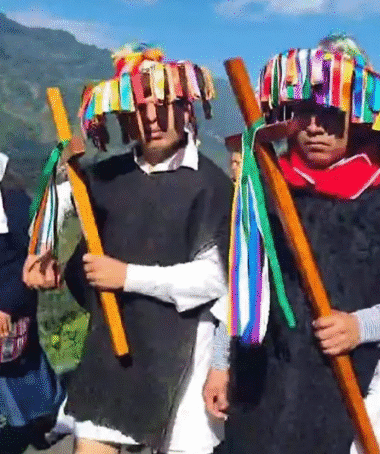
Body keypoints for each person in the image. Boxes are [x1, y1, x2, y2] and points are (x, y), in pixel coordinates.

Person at [205, 36, 380, 454]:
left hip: (357, 379)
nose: (314, 127)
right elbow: (248, 281)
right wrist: (219, 361)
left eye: (330, 112)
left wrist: (362, 326)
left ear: (358, 115)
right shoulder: (268, 189)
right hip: (270, 377)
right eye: (304, 112)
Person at [22, 43, 232, 454]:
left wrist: (128, 277)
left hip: (183, 359)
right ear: (122, 117)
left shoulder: (212, 185)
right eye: (138, 108)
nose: (151, 119)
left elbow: (215, 278)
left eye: (163, 105)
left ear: (187, 109)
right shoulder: (102, 176)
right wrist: (43, 253)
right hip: (111, 355)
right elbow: (52, 210)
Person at [0, 150, 65, 453]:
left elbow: (28, 258)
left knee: (21, 379)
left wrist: (4, 305)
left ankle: (43, 421)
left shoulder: (13, 205)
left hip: (10, 310)